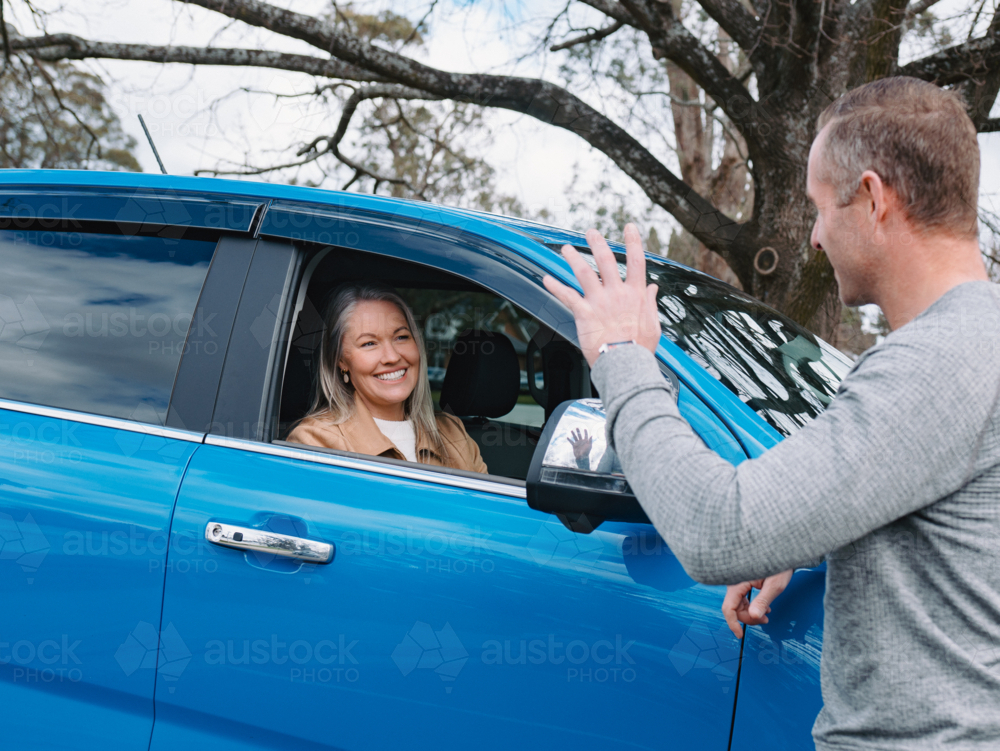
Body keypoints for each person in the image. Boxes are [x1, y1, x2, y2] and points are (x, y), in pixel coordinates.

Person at [543, 76, 1000, 749]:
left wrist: (622, 357)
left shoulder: (935, 362)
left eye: (819, 208)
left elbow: (716, 530)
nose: (814, 237)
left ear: (873, 198)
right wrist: (808, 532)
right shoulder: (977, 343)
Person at [287, 282, 488, 474]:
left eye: (401, 337)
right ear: (341, 361)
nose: (392, 357)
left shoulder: (453, 432)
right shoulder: (315, 443)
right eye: (369, 343)